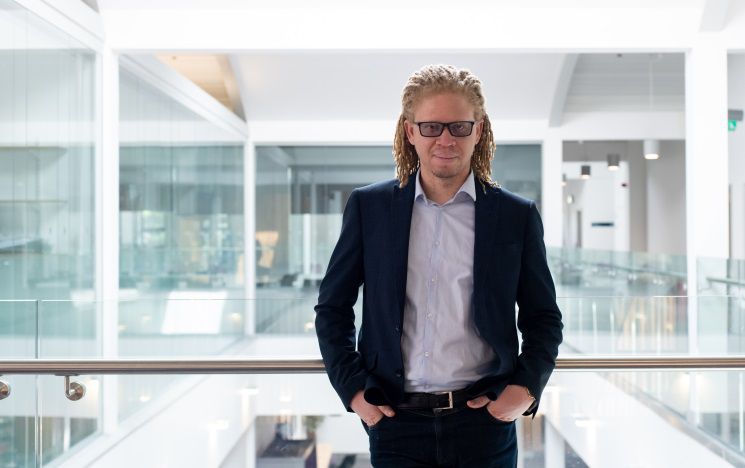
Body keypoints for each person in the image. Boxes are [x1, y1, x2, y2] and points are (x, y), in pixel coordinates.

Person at [315, 64, 563, 467]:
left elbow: (544, 318)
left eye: (459, 127)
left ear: (479, 130)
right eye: (431, 127)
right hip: (395, 423)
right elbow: (332, 310)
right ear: (410, 131)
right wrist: (357, 396)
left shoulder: (515, 216)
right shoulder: (369, 208)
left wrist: (525, 391)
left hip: (485, 424)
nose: (445, 139)